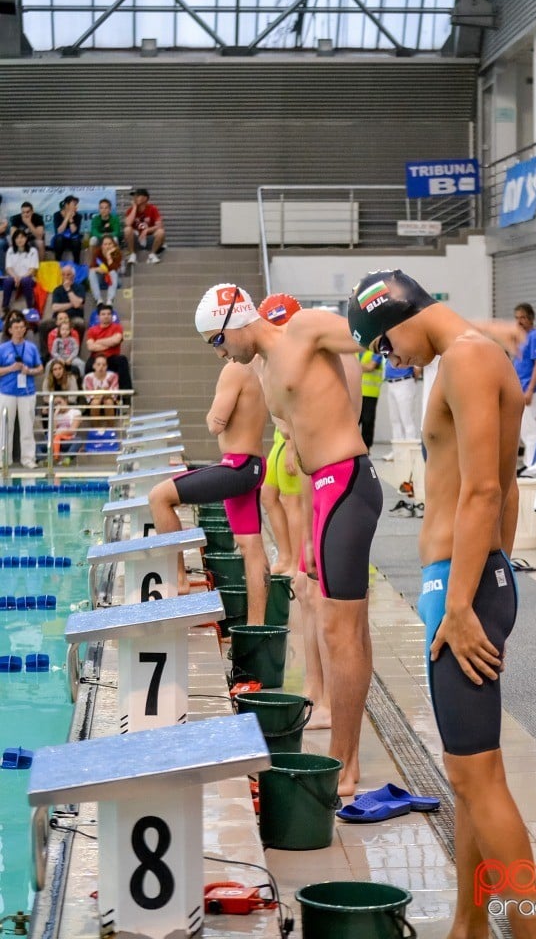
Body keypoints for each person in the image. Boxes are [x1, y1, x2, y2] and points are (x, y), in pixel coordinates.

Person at [348, 269, 536, 939]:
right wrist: (494, 580)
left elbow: (485, 491)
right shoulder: (476, 353)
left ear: (400, 315)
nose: (388, 358)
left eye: (382, 344)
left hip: (460, 587)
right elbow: (505, 491)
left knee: (480, 783)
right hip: (479, 578)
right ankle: (468, 923)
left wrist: (462, 601)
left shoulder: (462, 359)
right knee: (470, 774)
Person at [196, 282, 383, 796]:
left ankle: (344, 764)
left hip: (344, 482)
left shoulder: (303, 330)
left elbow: (363, 340)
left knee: (342, 630)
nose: (220, 352)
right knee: (343, 627)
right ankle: (346, 755)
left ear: (235, 319)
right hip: (326, 490)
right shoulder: (268, 371)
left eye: (217, 340)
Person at [150, 287, 270, 620]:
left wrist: (213, 413)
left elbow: (215, 424)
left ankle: (179, 580)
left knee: (160, 497)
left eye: (216, 341)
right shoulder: (261, 366)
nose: (218, 352)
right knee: (252, 547)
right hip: (253, 465)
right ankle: (256, 624)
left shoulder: (235, 369)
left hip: (237, 466)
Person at [257, 293, 303, 577]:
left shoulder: (294, 357)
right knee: (269, 495)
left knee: (291, 500)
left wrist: (291, 445)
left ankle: (296, 561)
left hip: (291, 438)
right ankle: (286, 554)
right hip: (280, 436)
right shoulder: (278, 355)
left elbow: (299, 406)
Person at [0, 310, 43, 469]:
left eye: (21, 327)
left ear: (25, 329)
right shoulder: (3, 348)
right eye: (16, 327)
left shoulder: (31, 347)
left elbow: (40, 368)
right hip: (7, 391)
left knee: (27, 426)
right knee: (5, 427)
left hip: (27, 392)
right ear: (10, 330)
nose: (19, 330)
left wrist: (29, 371)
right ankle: (4, 459)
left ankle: (28, 459)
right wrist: (11, 368)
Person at [513, 303, 536, 466]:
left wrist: (530, 390)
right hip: (521, 389)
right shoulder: (522, 338)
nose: (519, 321)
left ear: (531, 319)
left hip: (529, 390)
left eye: (523, 318)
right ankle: (531, 464)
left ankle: (535, 465)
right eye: (517, 318)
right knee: (526, 430)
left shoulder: (535, 337)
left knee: (531, 430)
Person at [85, 303, 132, 392]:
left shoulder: (117, 327)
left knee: (123, 361)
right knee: (88, 365)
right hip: (96, 357)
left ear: (111, 316)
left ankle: (125, 393)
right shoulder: (92, 330)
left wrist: (98, 341)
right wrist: (109, 343)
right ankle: (87, 396)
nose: (106, 316)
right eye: (103, 314)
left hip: (112, 357)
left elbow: (116, 341)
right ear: (99, 316)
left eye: (109, 314)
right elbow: (91, 347)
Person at [382, 356, 421, 461]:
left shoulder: (408, 345)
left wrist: (412, 380)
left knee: (407, 420)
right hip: (391, 383)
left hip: (405, 382)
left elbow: (417, 369)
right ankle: (397, 451)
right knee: (395, 420)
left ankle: (410, 452)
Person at [124, 188, 165, 265]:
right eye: (134, 196)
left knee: (160, 232)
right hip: (136, 240)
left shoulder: (152, 209)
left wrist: (147, 230)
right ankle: (132, 255)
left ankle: (152, 255)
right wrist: (135, 208)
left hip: (149, 239)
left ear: (145, 198)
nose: (134, 198)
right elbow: (128, 224)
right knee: (127, 229)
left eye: (137, 196)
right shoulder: (130, 210)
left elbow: (159, 226)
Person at [2, 230, 39, 315]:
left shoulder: (33, 251)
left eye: (22, 237)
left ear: (26, 238)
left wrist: (20, 278)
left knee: (25, 280)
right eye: (17, 237)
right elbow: (8, 268)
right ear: (14, 240)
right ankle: (5, 307)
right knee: (7, 281)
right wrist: (15, 277)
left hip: (29, 277)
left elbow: (32, 269)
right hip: (14, 277)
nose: (19, 240)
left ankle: (30, 307)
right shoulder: (10, 250)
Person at [41, 358, 79, 433]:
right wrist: (55, 400)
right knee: (44, 410)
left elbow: (74, 396)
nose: (58, 371)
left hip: (68, 403)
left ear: (63, 369)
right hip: (53, 403)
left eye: (60, 368)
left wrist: (63, 401)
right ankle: (48, 434)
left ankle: (67, 433)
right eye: (55, 369)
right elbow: (45, 397)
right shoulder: (47, 380)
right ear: (52, 371)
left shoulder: (71, 378)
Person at [357, 349, 383, 453]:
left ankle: (366, 448)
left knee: (367, 421)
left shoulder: (375, 351)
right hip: (355, 391)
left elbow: (371, 366)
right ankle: (353, 448)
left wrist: (353, 366)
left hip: (370, 392)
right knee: (354, 421)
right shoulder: (354, 352)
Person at [82, 353, 119, 425]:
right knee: (95, 403)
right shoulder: (88, 377)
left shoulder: (113, 376)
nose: (101, 367)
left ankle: (111, 430)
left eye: (104, 365)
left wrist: (99, 392)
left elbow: (114, 394)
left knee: (109, 402)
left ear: (107, 366)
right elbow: (89, 396)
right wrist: (104, 392)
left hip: (109, 400)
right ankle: (96, 431)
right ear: (94, 366)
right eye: (98, 364)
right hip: (94, 401)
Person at [88, 234, 122, 305]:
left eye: (110, 244)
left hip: (114, 280)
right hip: (101, 278)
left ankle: (110, 299)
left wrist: (109, 256)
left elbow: (114, 268)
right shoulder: (97, 252)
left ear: (113, 245)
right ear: (102, 246)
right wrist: (97, 269)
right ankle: (98, 299)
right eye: (105, 244)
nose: (108, 246)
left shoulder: (117, 253)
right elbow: (91, 267)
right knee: (92, 272)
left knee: (112, 272)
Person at [52, 195, 83, 263]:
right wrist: (67, 217)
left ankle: (76, 264)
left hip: (72, 241)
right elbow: (59, 231)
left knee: (76, 241)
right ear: (66, 205)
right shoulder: (57, 215)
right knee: (58, 239)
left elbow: (74, 231)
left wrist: (71, 219)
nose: (76, 207)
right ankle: (57, 263)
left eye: (76, 205)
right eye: (73, 205)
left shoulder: (78, 216)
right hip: (61, 241)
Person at [0, 195, 9, 275]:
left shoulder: (2, 211)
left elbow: (4, 227)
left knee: (1, 244)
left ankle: (1, 274)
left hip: (1, 238)